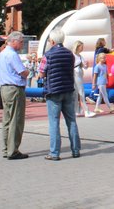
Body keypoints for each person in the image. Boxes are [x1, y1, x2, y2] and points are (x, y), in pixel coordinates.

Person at [41, 29, 81, 161]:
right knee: (71, 121)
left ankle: (54, 152)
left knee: (54, 122)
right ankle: (76, 150)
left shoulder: (48, 55)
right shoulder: (70, 54)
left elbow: (41, 73)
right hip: (68, 89)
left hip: (53, 91)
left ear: (52, 41)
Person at [0, 31, 30, 160]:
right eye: (21, 42)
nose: (22, 44)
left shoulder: (3, 53)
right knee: (16, 119)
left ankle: (6, 148)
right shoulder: (12, 55)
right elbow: (22, 72)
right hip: (14, 88)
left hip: (4, 88)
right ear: (14, 41)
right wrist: (27, 71)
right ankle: (13, 150)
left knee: (7, 119)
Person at [73, 41, 95, 118]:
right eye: (81, 46)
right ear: (77, 46)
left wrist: (86, 65)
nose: (82, 48)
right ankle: (86, 111)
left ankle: (77, 111)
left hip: (79, 74)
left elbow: (84, 67)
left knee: (77, 93)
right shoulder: (73, 55)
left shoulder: (80, 56)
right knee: (80, 92)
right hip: (75, 74)